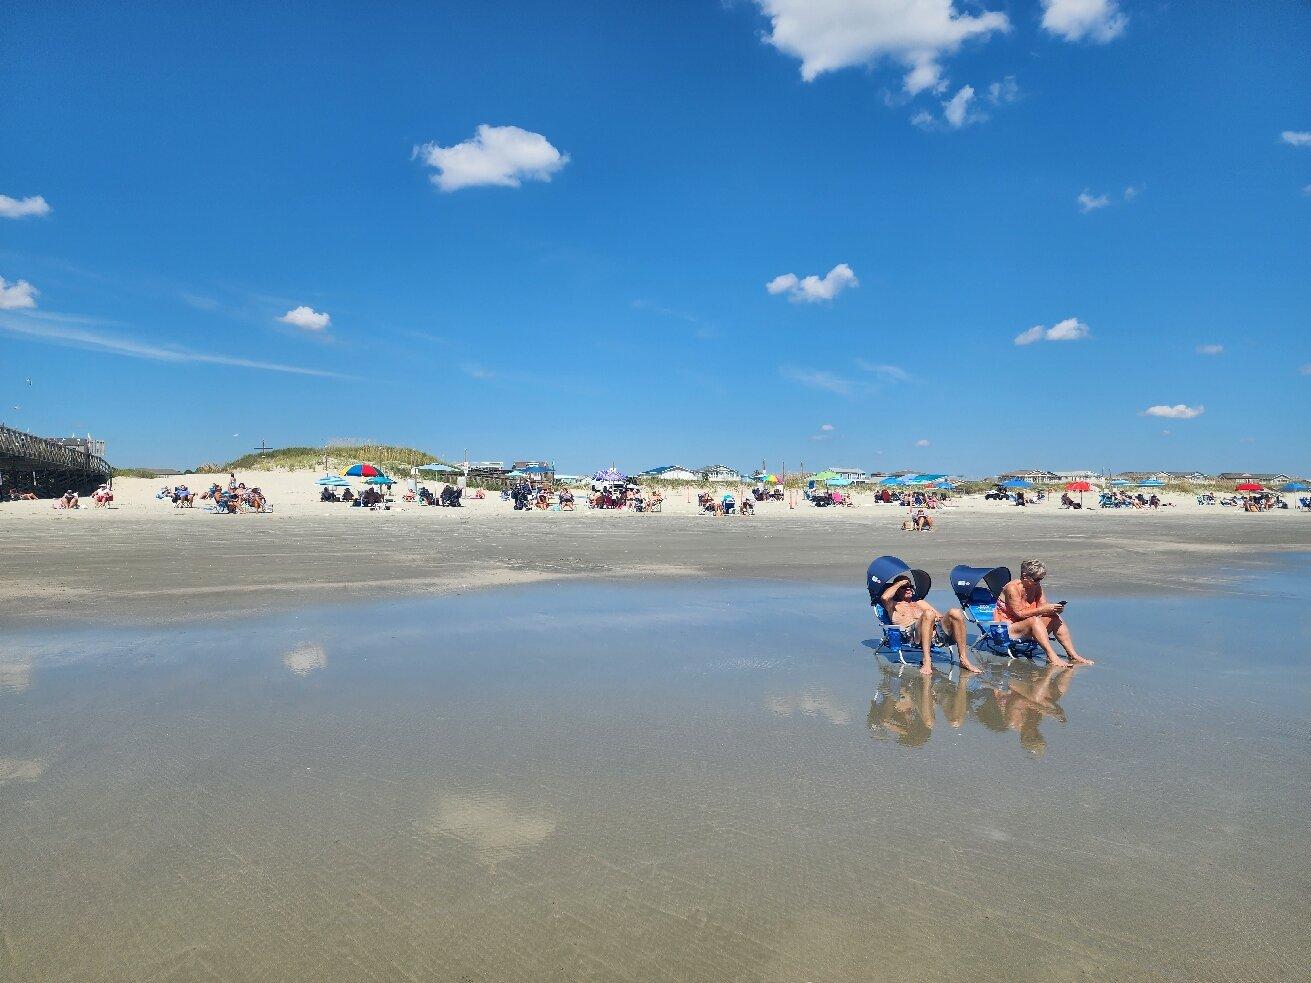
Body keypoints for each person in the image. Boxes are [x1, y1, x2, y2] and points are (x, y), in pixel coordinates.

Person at [995, 559, 1093, 667]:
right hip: (1006, 628)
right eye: (1036, 579)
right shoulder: (1012, 588)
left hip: (1026, 625)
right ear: (1025, 575)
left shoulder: (1036, 586)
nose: (1039, 582)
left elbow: (1043, 605)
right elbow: (1019, 614)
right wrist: (1044, 609)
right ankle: (1052, 656)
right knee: (1034, 621)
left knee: (1054, 617)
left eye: (1041, 578)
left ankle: (1073, 654)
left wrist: (1055, 609)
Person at [879, 575, 980, 675]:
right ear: (897, 590)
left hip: (934, 634)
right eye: (904, 587)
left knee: (956, 612)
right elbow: (884, 597)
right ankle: (927, 660)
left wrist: (934, 623)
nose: (908, 588)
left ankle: (964, 660)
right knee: (928, 613)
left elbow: (940, 617)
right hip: (912, 636)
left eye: (910, 586)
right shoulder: (893, 605)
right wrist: (900, 583)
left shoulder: (919, 602)